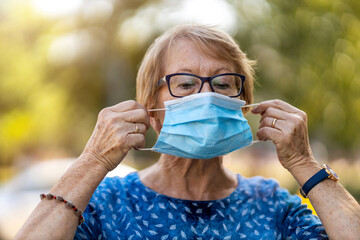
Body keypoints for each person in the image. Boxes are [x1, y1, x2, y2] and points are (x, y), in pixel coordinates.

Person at [16, 24, 360, 240]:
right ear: (151, 109)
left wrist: (304, 162)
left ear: (244, 105)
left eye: (224, 83)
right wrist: (92, 160)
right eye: (184, 83)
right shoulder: (107, 204)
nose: (207, 96)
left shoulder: (271, 206)